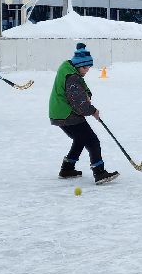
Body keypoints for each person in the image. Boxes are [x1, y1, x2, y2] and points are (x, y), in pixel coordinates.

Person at [49, 42, 118, 184]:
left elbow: (80, 89)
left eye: (89, 68)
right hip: (66, 114)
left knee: (80, 139)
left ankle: (67, 168)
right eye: (85, 68)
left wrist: (87, 94)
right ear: (79, 65)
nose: (87, 70)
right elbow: (79, 103)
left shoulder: (68, 67)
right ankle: (100, 173)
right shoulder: (72, 77)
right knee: (92, 141)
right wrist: (92, 111)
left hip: (59, 112)